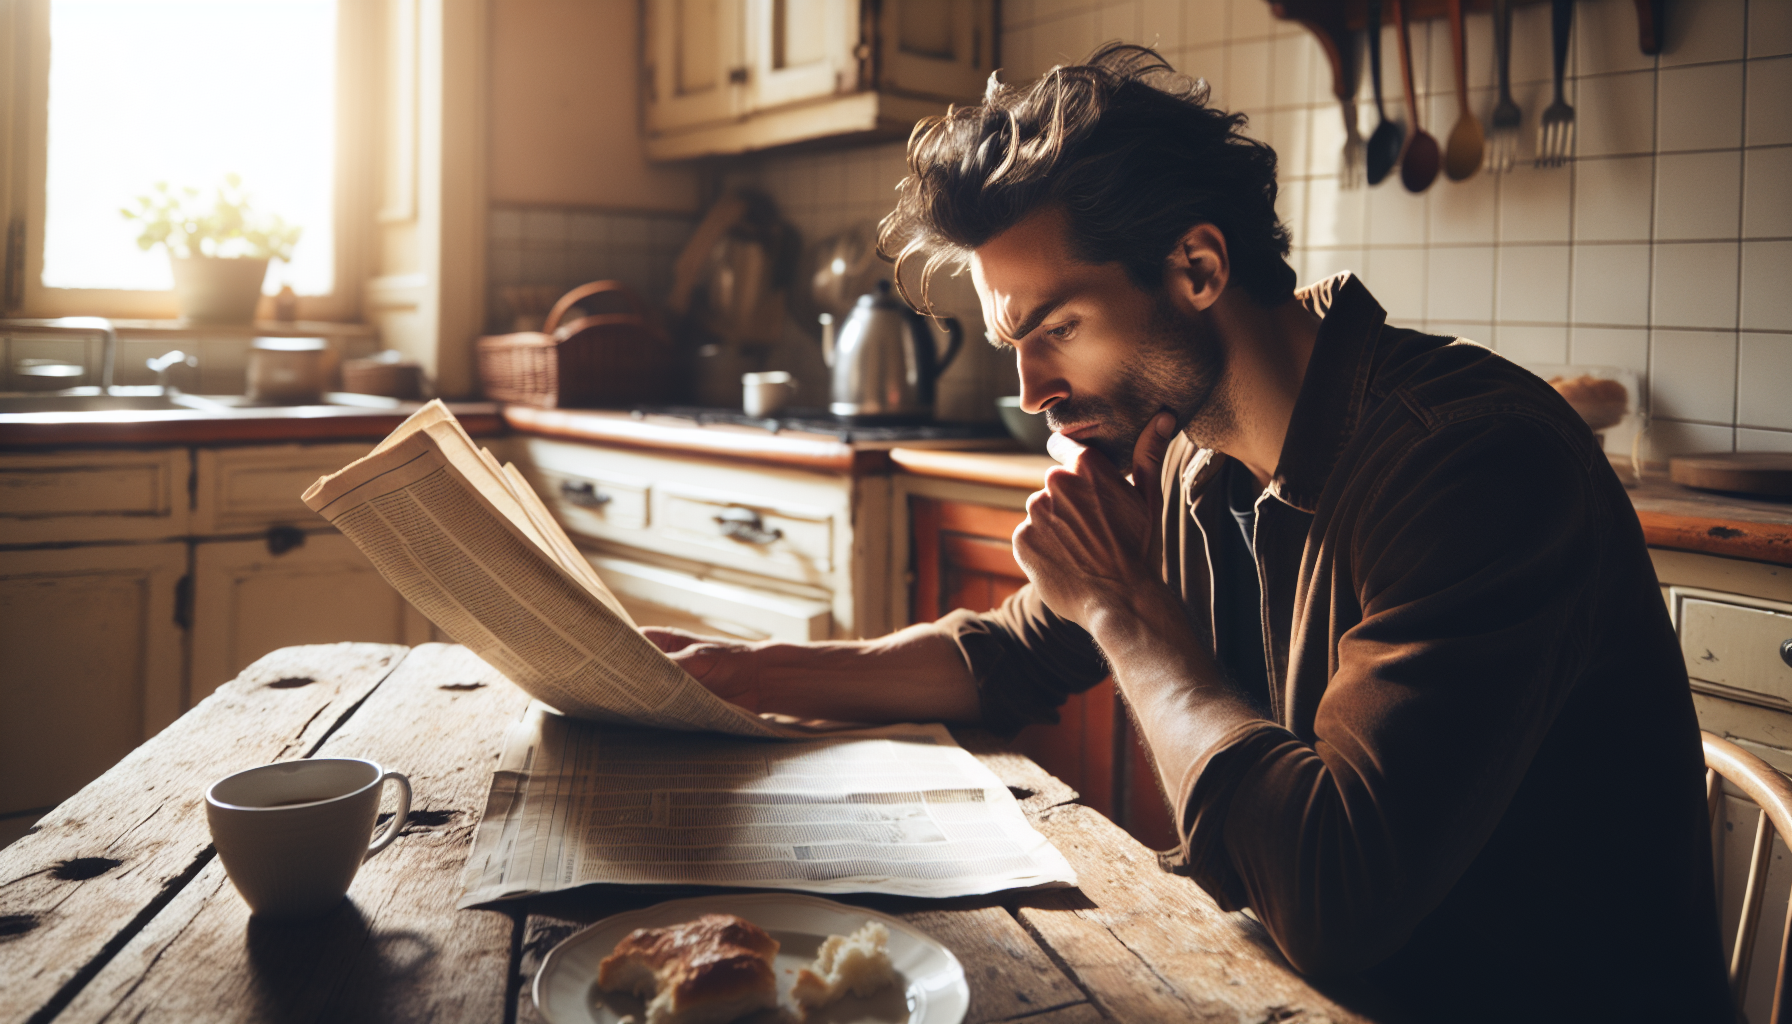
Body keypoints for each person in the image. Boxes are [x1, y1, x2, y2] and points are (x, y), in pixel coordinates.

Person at [646, 45, 1732, 1021]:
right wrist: (726, 674)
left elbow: (1331, 894)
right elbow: (1009, 652)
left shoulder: (1473, 464)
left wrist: (1125, 612)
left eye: (1054, 329)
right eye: (1008, 340)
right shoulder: (1188, 450)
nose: (1028, 389)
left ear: (1198, 269)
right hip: (1282, 985)